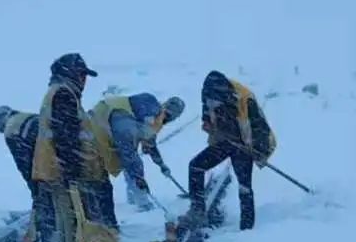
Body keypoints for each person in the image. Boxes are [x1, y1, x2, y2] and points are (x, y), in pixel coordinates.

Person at [31, 52, 111, 242]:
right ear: (70, 74)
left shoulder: (57, 93)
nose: (84, 81)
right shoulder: (64, 95)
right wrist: (74, 172)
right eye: (81, 75)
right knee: (77, 227)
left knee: (68, 227)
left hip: (59, 173)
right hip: (68, 174)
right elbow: (66, 138)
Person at [188, 71, 276, 231]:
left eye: (216, 103)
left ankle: (246, 229)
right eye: (211, 103)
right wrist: (207, 121)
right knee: (195, 167)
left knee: (244, 187)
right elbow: (206, 110)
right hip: (224, 141)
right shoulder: (208, 91)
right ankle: (198, 211)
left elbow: (261, 129)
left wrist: (260, 152)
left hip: (244, 145)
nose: (213, 105)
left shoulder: (245, 98)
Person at [90, 93, 185, 211]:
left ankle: (134, 198)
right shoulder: (128, 123)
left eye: (171, 118)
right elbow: (129, 154)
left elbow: (149, 143)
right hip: (97, 130)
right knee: (128, 162)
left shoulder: (151, 117)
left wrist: (161, 164)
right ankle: (140, 200)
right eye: (168, 115)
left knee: (130, 162)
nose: (167, 119)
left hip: (106, 127)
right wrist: (139, 179)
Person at [0, 105, 56, 242]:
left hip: (46, 164)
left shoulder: (11, 130)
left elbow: (24, 164)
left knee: (45, 206)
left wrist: (34, 189)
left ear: (0, 122)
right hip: (62, 157)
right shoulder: (28, 116)